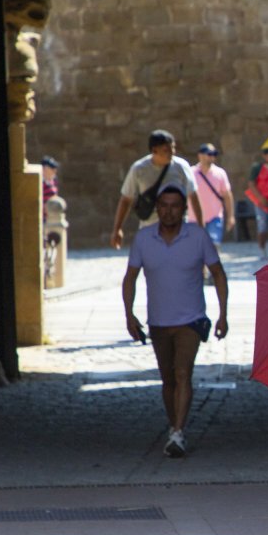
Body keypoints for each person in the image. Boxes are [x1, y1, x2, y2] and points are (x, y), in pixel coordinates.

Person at [122, 182, 228, 457]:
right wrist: (129, 314)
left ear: (183, 210)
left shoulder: (197, 236)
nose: (169, 211)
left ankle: (178, 432)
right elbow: (130, 277)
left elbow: (217, 272)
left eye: (175, 206)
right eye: (164, 206)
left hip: (190, 320)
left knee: (183, 373)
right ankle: (174, 426)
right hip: (158, 321)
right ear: (157, 209)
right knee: (168, 379)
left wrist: (223, 314)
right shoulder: (144, 239)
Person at [111, 129, 204, 250]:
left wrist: (201, 228)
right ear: (154, 150)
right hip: (150, 230)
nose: (172, 152)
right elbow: (126, 199)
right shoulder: (139, 169)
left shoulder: (181, 167)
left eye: (173, 148)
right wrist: (117, 229)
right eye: (166, 150)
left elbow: (193, 196)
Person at [189, 143, 235, 255]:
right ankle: (202, 271)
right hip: (194, 219)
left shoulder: (220, 173)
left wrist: (230, 216)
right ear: (200, 155)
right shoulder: (190, 173)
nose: (212, 157)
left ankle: (212, 271)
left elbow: (227, 196)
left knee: (214, 245)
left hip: (215, 217)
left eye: (214, 154)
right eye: (209, 154)